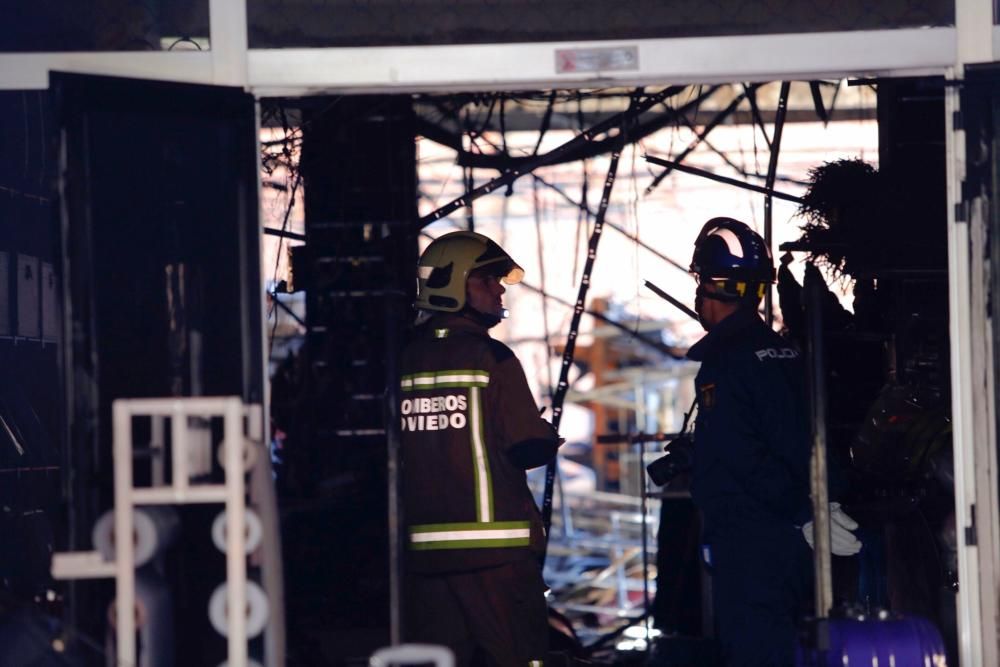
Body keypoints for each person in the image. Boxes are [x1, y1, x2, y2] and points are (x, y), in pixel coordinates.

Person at [684, 217, 860, 666]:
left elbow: (741, 453)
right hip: (792, 537)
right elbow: (798, 430)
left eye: (702, 282)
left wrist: (802, 512)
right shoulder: (784, 353)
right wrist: (823, 502)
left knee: (755, 650)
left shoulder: (725, 362)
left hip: (752, 537)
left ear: (715, 286)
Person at [399, 230, 562, 666]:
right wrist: (547, 435)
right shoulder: (492, 358)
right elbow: (527, 444)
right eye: (486, 280)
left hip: (425, 563)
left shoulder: (403, 362)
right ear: (453, 285)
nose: (498, 289)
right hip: (497, 559)